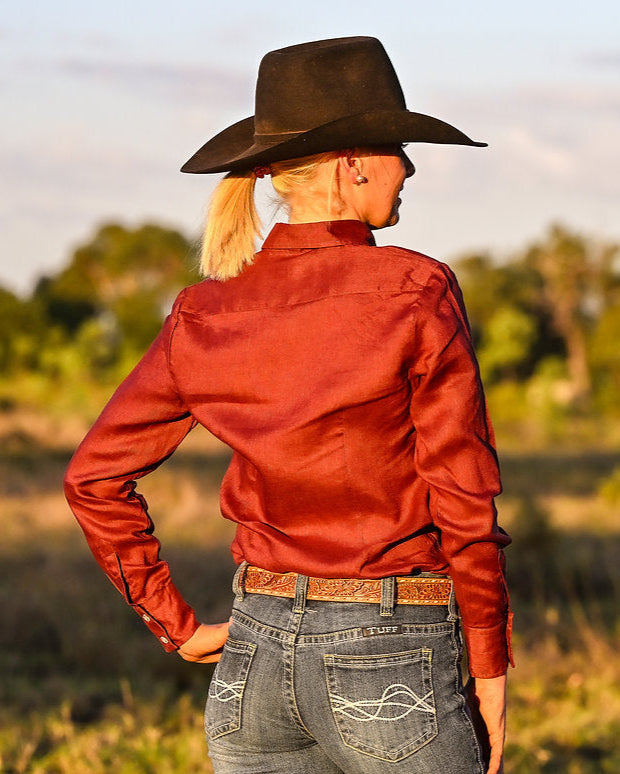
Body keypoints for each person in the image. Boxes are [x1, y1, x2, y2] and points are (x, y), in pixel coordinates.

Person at [64, 36, 513, 774]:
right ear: (355, 162)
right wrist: (490, 660)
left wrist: (173, 624)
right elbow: (463, 493)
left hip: (253, 660)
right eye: (400, 147)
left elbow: (92, 479)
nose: (411, 167)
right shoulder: (414, 290)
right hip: (392, 652)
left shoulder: (203, 312)